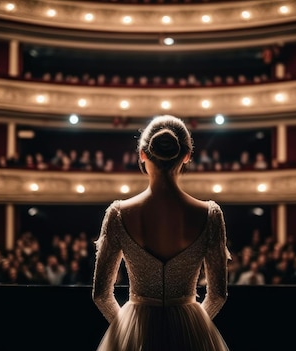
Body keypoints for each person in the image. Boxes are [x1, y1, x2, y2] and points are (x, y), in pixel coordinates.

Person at [92, 115, 231, 351]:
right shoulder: (210, 215)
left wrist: (128, 331)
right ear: (186, 156)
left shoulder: (118, 214)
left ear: (143, 154)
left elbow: (101, 295)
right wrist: (195, 328)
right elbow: (217, 295)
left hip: (136, 327)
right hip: (191, 333)